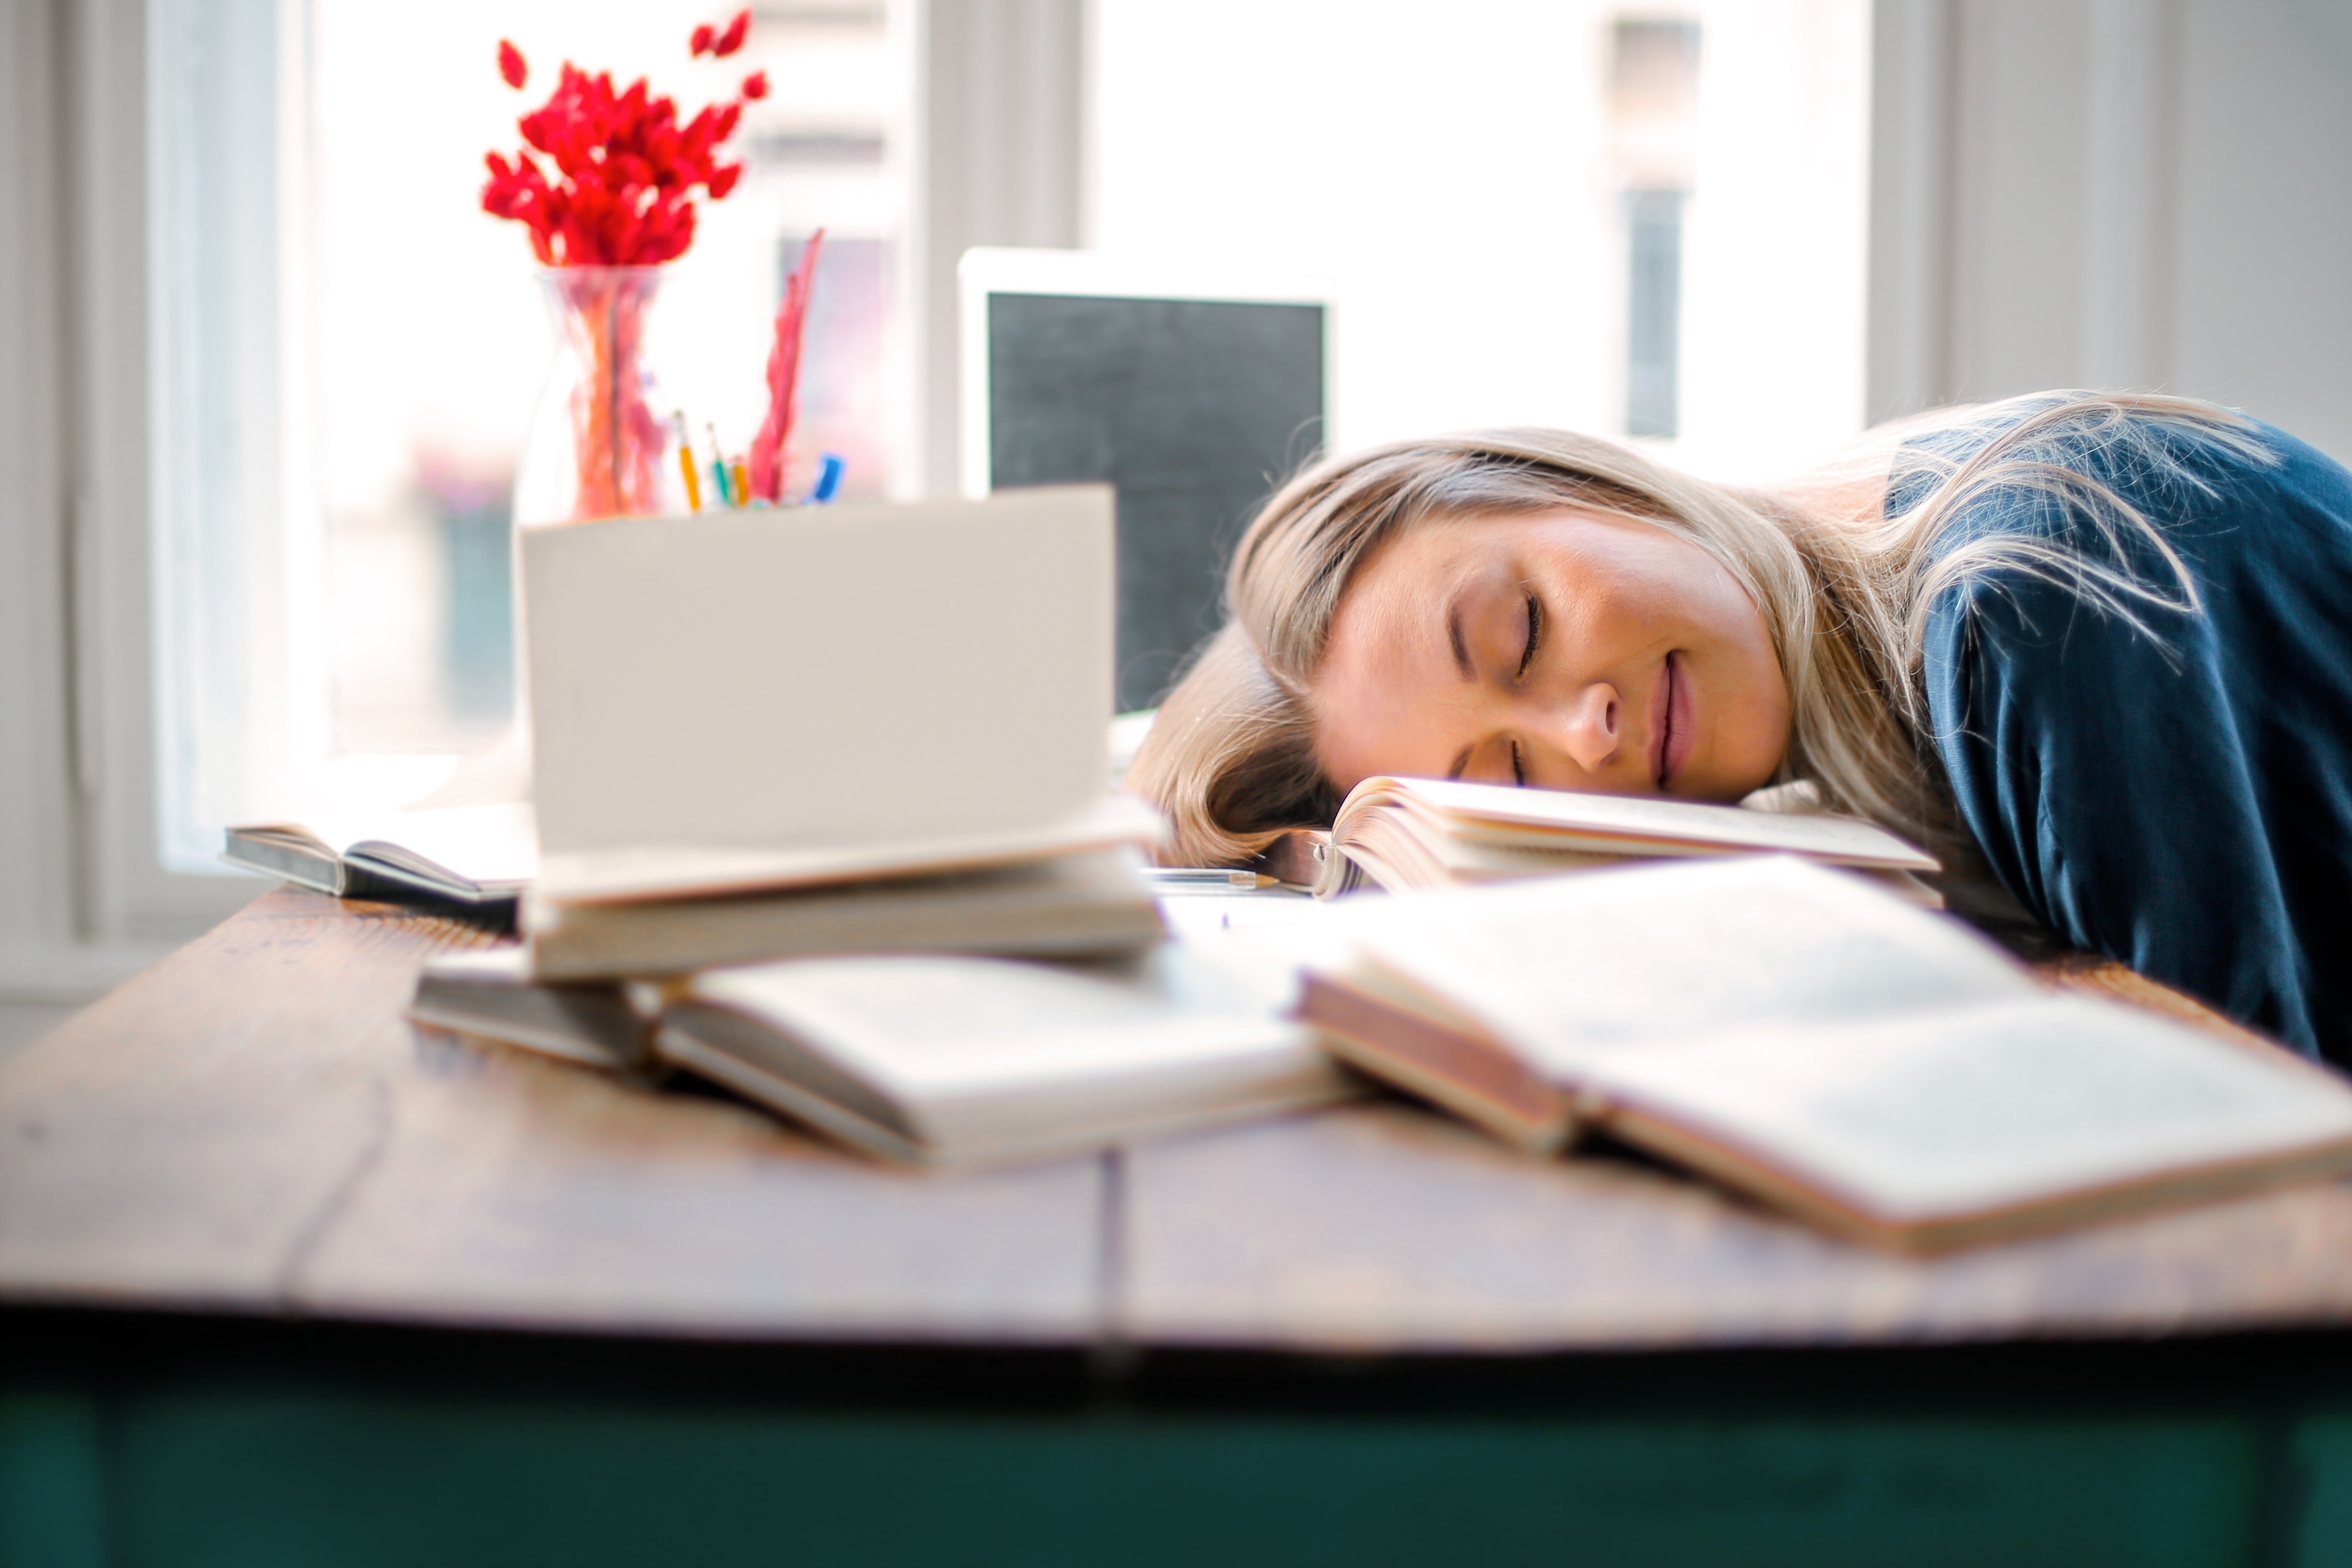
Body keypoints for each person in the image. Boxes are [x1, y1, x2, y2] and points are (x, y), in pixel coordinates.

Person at [1126, 392, 2352, 1064]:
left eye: (1522, 630)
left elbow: (2272, 1184)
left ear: (1580, 486)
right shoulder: (1862, 578)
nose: (1582, 730)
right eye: (1506, 778)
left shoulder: (2028, 597)